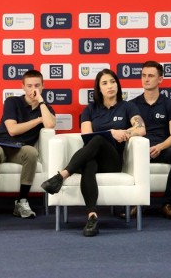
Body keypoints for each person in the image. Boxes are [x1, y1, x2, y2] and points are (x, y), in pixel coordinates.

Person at [41, 68, 146, 237]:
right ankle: (92, 217)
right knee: (89, 161)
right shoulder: (90, 110)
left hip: (112, 161)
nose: (110, 86)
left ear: (118, 85)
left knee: (98, 139)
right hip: (93, 158)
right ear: (99, 88)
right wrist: (111, 132)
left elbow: (141, 129)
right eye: (104, 83)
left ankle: (61, 176)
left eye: (112, 82)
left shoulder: (128, 107)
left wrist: (125, 133)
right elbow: (86, 136)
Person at [0, 70, 56, 220]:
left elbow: (49, 124)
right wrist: (37, 120)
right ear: (23, 87)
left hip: (21, 148)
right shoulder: (12, 102)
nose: (33, 90)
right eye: (29, 86)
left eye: (37, 86)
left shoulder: (46, 109)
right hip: (2, 144)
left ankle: (22, 201)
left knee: (31, 152)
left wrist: (41, 102)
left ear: (43, 86)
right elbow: (12, 130)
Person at [130, 60, 171, 220]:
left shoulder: (170, 104)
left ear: (160, 79)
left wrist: (160, 147)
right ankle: (135, 203)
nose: (146, 79)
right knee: (126, 153)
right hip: (140, 150)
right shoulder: (132, 105)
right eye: (143, 75)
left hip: (162, 148)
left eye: (150, 76)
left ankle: (167, 204)